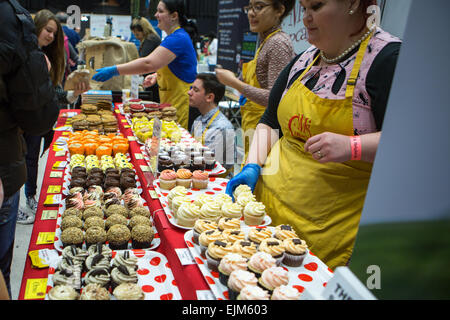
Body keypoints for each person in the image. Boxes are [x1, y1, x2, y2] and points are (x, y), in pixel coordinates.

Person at [225, 0, 402, 269]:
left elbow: (413, 145)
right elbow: (270, 121)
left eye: (316, 7)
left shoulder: (387, 60)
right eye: (304, 8)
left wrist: (352, 146)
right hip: (266, 210)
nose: (307, 18)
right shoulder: (304, 60)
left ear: (354, 4)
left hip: (326, 228)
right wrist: (252, 164)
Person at [0, 0, 59, 296]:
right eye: (47, 30)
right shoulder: (13, 21)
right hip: (5, 163)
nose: (49, 36)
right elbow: (37, 115)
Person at [17, 9, 89, 224]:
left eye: (54, 33)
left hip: (39, 119)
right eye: (48, 30)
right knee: (18, 162)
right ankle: (20, 201)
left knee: (30, 159)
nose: (50, 36)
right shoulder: (24, 53)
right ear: (36, 26)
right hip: (23, 118)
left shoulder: (47, 56)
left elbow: (53, 92)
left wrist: (73, 94)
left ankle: (29, 197)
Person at [93, 0, 198, 131]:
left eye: (160, 11)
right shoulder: (173, 37)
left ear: (174, 16)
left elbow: (148, 63)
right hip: (171, 103)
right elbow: (171, 66)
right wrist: (156, 76)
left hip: (182, 105)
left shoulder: (178, 38)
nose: (156, 15)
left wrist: (115, 70)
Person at [215, 0, 296, 164]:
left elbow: (273, 99)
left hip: (266, 134)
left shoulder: (277, 44)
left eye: (259, 7)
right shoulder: (266, 41)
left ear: (279, 10)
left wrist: (234, 83)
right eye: (249, 7)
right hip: (254, 130)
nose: (251, 13)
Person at [188, 73, 235, 171]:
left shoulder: (223, 128)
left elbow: (219, 168)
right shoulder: (198, 120)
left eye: (195, 90)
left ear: (209, 97)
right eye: (191, 88)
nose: (189, 92)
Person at [130, 16, 162, 102]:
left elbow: (143, 61)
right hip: (153, 79)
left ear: (144, 30)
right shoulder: (152, 38)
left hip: (154, 82)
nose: (136, 37)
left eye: (137, 34)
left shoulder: (150, 39)